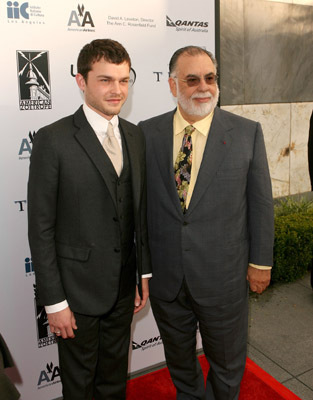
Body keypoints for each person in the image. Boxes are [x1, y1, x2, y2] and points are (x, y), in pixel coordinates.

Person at [139, 46, 274, 400]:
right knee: (181, 363)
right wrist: (141, 270)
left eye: (210, 78)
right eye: (192, 79)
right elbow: (138, 210)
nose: (204, 87)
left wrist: (261, 263)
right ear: (172, 85)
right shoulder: (146, 134)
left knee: (228, 365)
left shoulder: (247, 133)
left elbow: (260, 205)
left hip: (224, 278)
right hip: (168, 281)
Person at [28, 39, 151, 400]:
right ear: (81, 81)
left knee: (114, 381)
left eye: (124, 80)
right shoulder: (54, 139)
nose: (117, 90)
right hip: (75, 295)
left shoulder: (134, 135)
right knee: (80, 387)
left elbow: (137, 212)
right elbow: (41, 227)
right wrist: (54, 302)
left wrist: (142, 274)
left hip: (123, 289)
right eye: (105, 80)